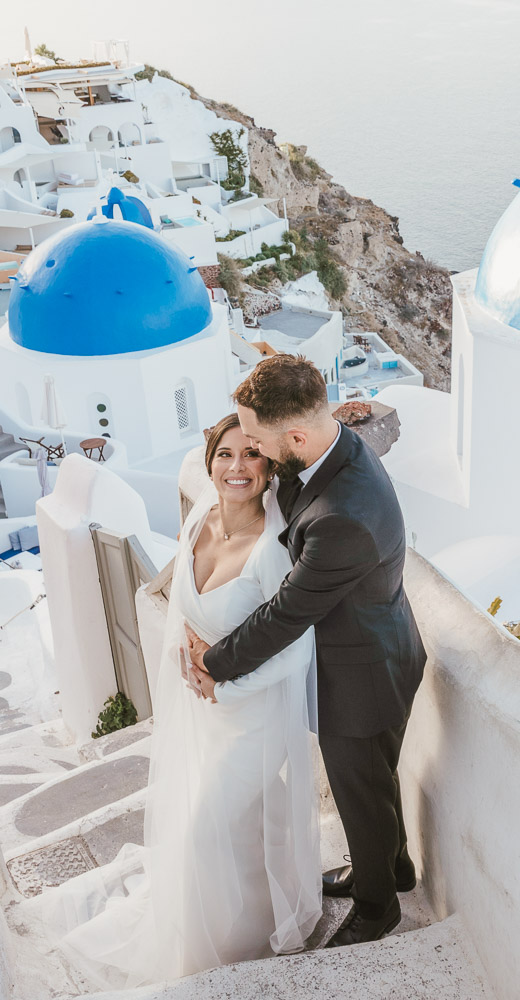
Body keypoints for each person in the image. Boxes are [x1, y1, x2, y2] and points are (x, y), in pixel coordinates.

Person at [24, 414, 322, 991]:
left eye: (251, 456)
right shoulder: (198, 521)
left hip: (250, 717)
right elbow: (181, 605)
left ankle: (205, 958)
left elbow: (293, 656)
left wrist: (224, 683)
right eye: (225, 455)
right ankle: (255, 910)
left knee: (201, 833)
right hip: (203, 712)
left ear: (268, 469)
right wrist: (187, 656)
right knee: (231, 822)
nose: (237, 468)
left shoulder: (273, 550)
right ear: (208, 462)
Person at [186, 355, 426, 947]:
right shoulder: (329, 446)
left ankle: (377, 909)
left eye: (261, 443)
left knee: (358, 786)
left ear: (294, 435)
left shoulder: (344, 517)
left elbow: (285, 616)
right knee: (373, 778)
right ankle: (392, 867)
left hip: (364, 668)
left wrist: (213, 663)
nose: (256, 455)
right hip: (373, 641)